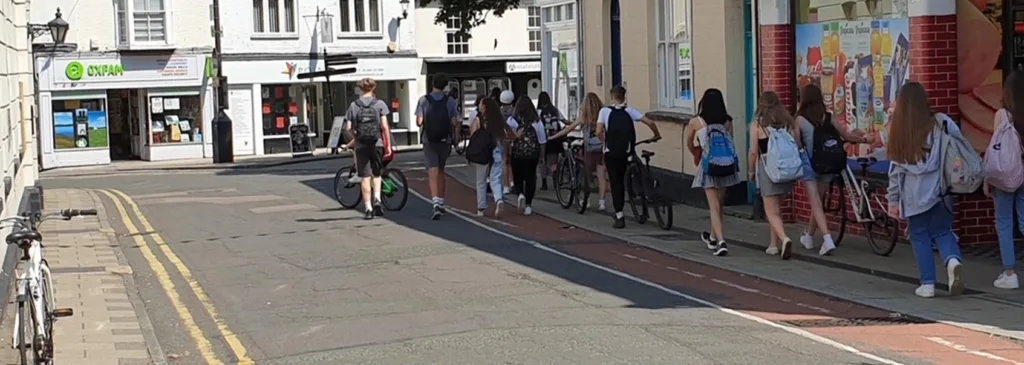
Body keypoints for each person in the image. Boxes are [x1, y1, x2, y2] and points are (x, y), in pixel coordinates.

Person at [887, 81, 964, 298]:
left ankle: (928, 283)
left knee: (919, 235)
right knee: (943, 231)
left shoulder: (899, 131)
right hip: (941, 191)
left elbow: (894, 173)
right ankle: (953, 261)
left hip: (913, 197)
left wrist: (893, 201)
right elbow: (959, 144)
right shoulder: (941, 123)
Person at [795, 84, 874, 255]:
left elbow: (796, 143)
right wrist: (864, 140)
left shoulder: (800, 119)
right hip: (829, 163)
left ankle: (827, 238)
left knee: (816, 204)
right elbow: (845, 136)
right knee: (819, 203)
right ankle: (808, 236)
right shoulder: (828, 117)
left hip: (811, 165)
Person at [597, 86, 662, 229]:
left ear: (611, 97)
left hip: (611, 152)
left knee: (616, 182)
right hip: (627, 151)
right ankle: (640, 190)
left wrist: (605, 142)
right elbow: (650, 122)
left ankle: (619, 215)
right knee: (632, 167)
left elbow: (598, 131)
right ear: (624, 97)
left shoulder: (604, 112)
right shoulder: (630, 111)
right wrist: (656, 135)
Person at [685, 89, 738, 256]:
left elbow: (689, 143)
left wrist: (696, 152)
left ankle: (721, 241)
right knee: (719, 204)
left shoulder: (696, 122)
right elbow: (731, 142)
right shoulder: (728, 121)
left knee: (713, 206)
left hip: (709, 167)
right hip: (726, 166)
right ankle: (713, 237)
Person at [749, 92, 800, 259]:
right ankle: (773, 245)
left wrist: (750, 171)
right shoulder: (788, 122)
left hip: (768, 170)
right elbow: (797, 144)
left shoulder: (758, 125)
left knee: (771, 212)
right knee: (777, 210)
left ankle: (784, 239)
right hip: (786, 171)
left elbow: (753, 153)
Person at [985, 71, 1024, 289]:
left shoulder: (1002, 115)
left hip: (1007, 173)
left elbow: (995, 150)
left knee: (1004, 223)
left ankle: (1009, 273)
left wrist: (986, 179)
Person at [550, 92, 609, 211]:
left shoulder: (584, 117)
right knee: (601, 176)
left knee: (584, 175)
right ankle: (602, 202)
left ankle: (584, 200)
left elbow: (569, 128)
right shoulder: (603, 114)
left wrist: (553, 137)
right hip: (601, 148)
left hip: (589, 149)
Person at [344, 78, 392, 220]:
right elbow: (384, 126)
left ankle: (368, 208)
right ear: (373, 88)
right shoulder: (380, 104)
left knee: (365, 177)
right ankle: (377, 200)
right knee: (377, 174)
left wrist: (356, 137)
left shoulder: (354, 105)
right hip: (377, 143)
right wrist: (387, 144)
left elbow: (348, 128)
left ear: (360, 88)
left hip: (361, 145)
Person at [416, 72, 460, 220]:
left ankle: (435, 202)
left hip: (429, 139)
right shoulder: (450, 101)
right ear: (445, 86)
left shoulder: (424, 100)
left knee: (432, 170)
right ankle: (441, 201)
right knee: (441, 170)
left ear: (432, 83)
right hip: (445, 139)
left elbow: (419, 122)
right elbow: (454, 122)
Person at [470, 98, 513, 217]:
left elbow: (473, 136)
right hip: (497, 150)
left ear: (484, 107)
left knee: (481, 181)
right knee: (495, 178)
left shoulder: (478, 120)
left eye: (480, 104)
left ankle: (481, 208)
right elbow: (507, 136)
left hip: (483, 153)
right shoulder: (498, 120)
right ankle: (499, 199)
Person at [507, 95, 547, 215]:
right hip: (532, 154)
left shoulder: (512, 121)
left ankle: (520, 194)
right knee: (531, 178)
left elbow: (507, 137)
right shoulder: (537, 121)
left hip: (517, 153)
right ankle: (528, 205)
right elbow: (542, 141)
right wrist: (542, 157)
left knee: (517, 176)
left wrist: (507, 154)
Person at [536, 91, 566, 191]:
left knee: (542, 161)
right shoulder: (554, 110)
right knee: (553, 162)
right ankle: (555, 180)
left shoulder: (538, 112)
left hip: (542, 139)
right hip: (555, 139)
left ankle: (544, 183)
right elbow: (564, 121)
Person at [499, 90, 517, 194]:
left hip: (503, 139)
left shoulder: (498, 112)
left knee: (505, 161)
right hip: (513, 138)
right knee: (512, 161)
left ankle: (505, 186)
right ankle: (512, 182)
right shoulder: (515, 111)